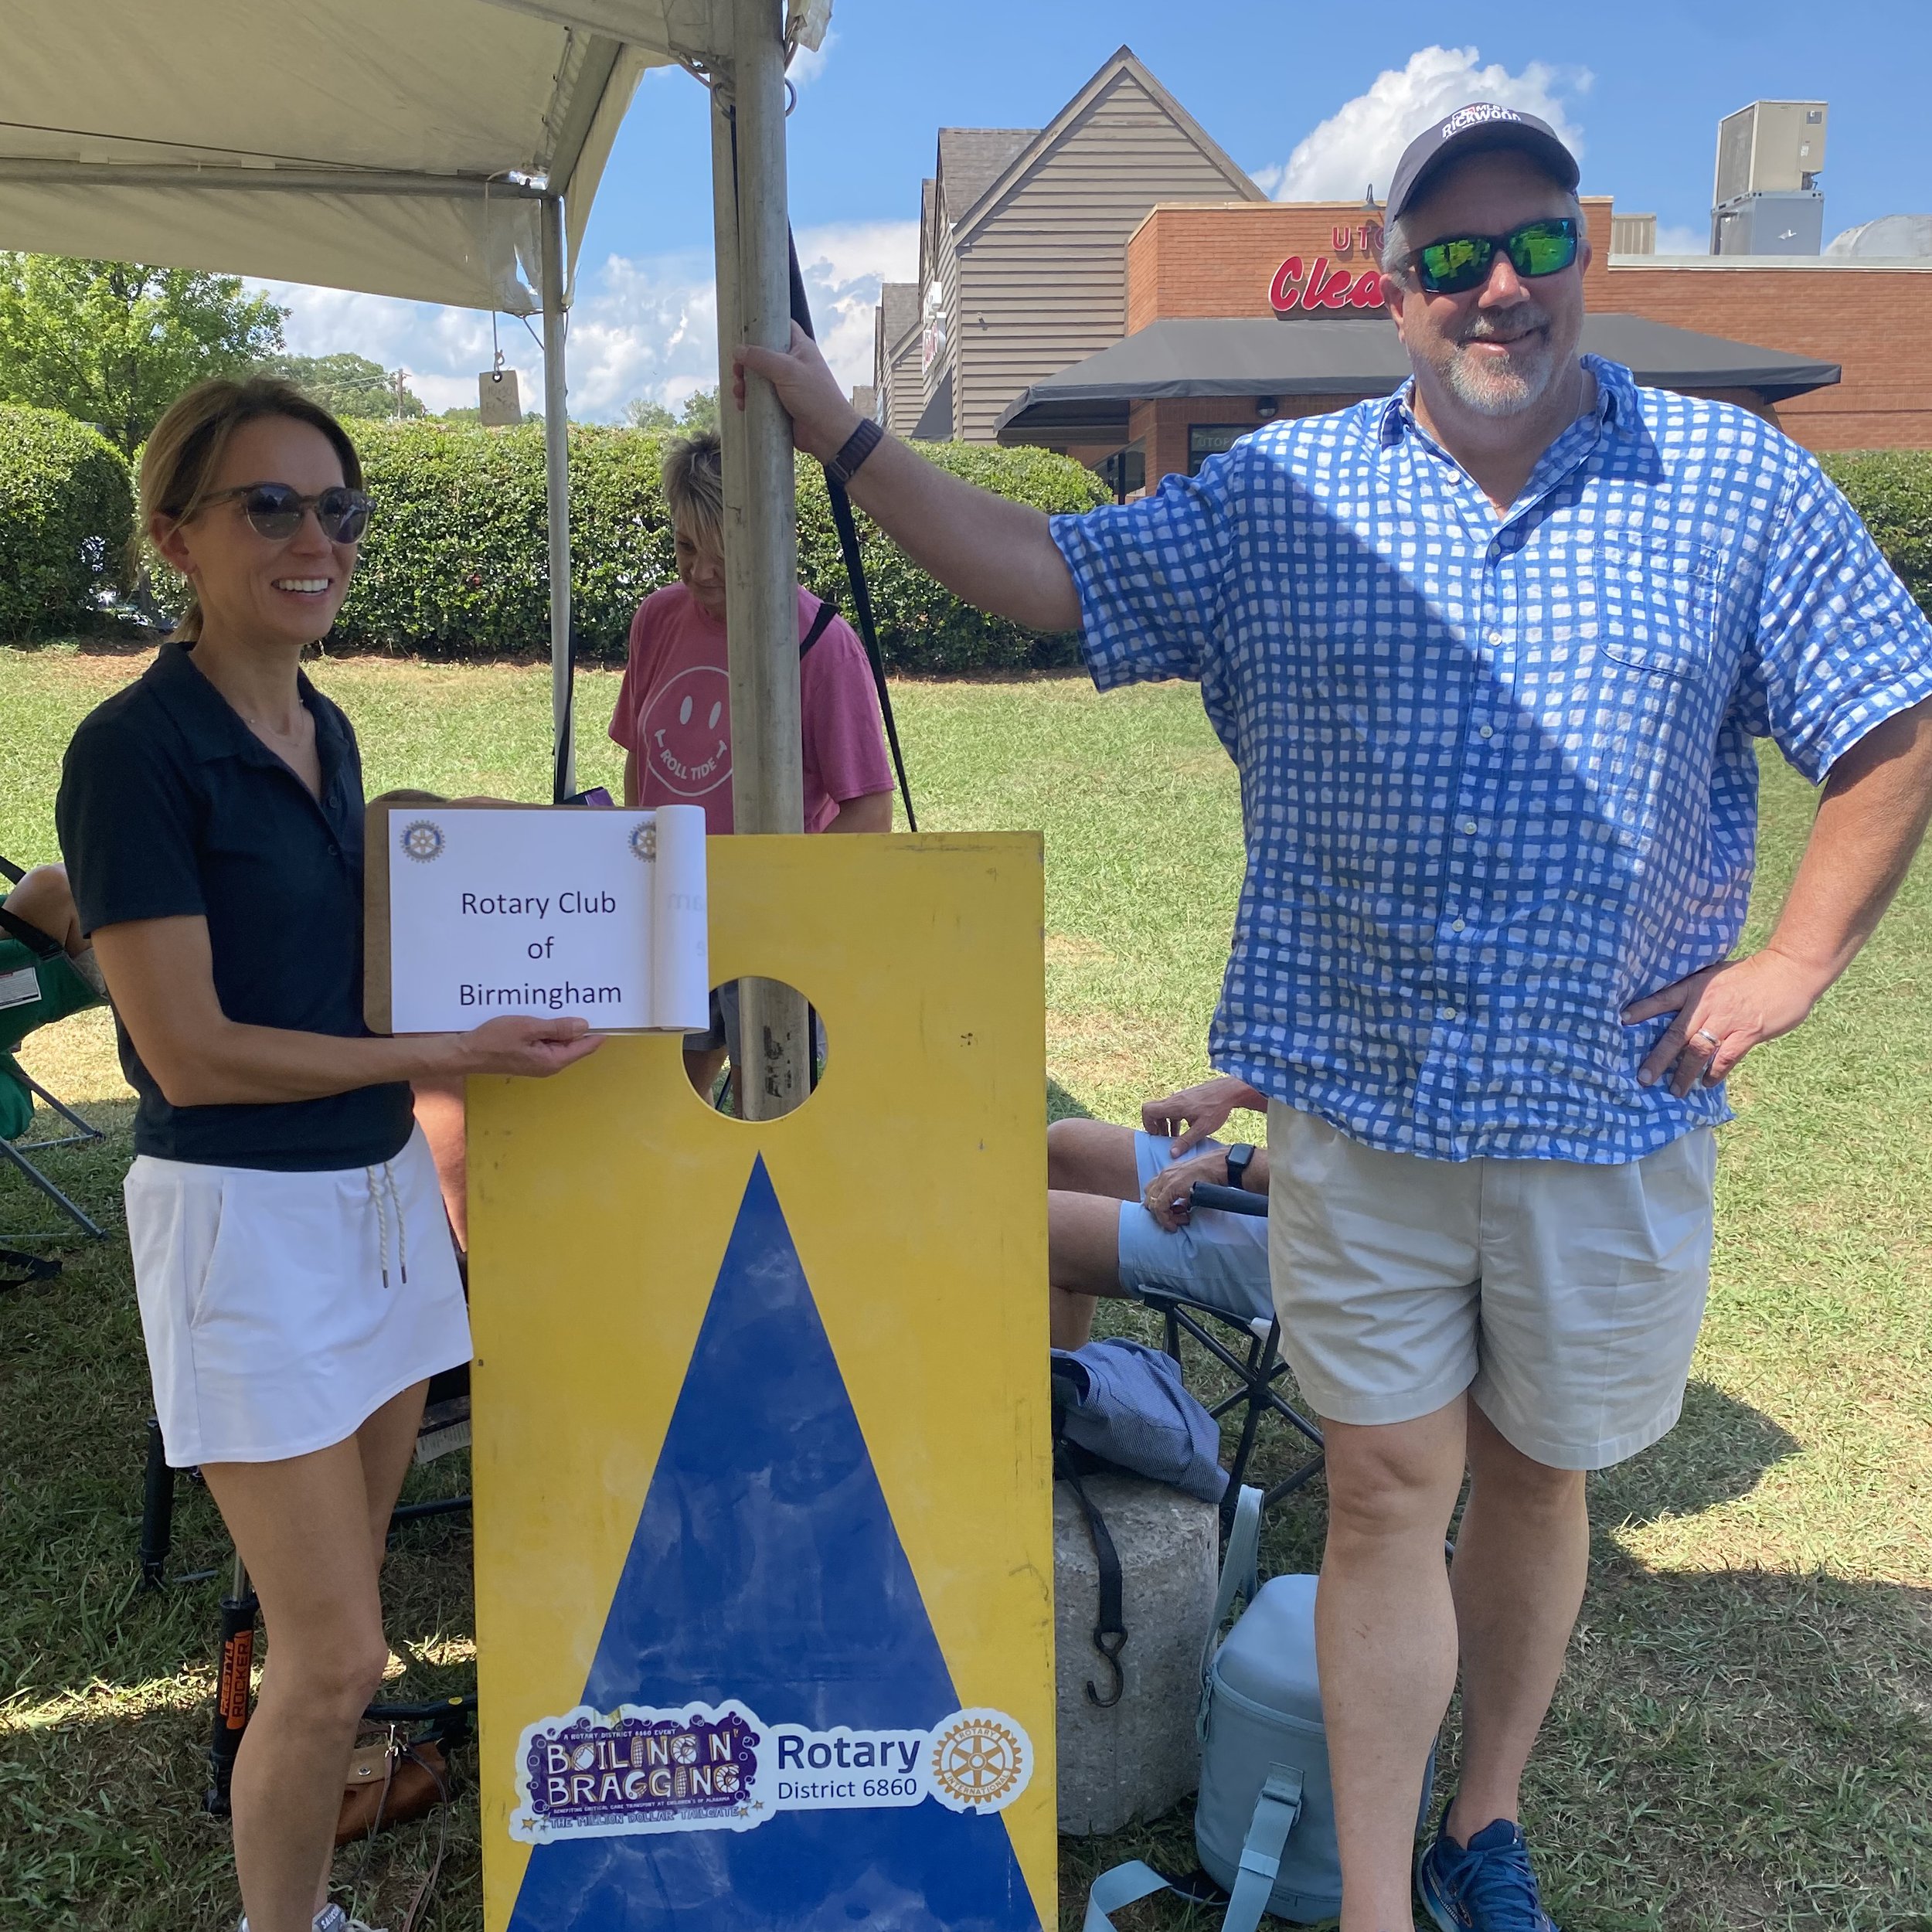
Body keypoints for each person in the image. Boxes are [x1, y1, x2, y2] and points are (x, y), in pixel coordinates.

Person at [738, 103, 1932, 1932]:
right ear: (1391, 288)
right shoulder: (1285, 493)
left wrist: (1791, 964)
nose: (1497, 284)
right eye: (1449, 253)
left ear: (1584, 254)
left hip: (1605, 1108)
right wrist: (847, 432)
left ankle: (1483, 1822)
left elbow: (1888, 719)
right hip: (1357, 1109)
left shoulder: (1734, 481)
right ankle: (1376, 1900)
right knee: (1380, 1491)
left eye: (1533, 240)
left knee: (1535, 1480)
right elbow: (1049, 572)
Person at [55, 376, 601, 1932]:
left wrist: (496, 874)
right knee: (335, 1654)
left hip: (378, 1204)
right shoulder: (132, 753)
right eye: (271, 506)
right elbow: (190, 1050)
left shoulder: (321, 724)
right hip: (246, 1225)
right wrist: (447, 1056)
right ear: (178, 534)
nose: (318, 539)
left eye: (338, 508)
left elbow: (349, 971)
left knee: (341, 1641)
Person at [610, 429, 895, 1098]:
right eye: (686, 547)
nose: (701, 573)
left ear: (769, 539)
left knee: (767, 1111)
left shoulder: (823, 642)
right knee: (663, 1102)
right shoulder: (658, 618)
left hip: (771, 926)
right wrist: (642, 859)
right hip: (672, 915)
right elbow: (639, 761)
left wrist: (769, 893)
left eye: (725, 552)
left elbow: (869, 811)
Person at [1049, 1073, 1270, 1350]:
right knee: (1065, 1147)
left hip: (1305, 1256)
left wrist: (1232, 1165)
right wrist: (1239, 1091)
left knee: (1036, 1231)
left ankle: (1062, 1377)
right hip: (1281, 1187)